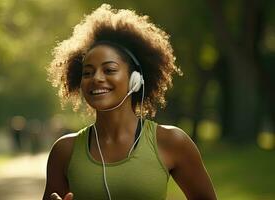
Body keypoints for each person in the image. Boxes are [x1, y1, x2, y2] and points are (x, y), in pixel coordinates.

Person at [43, 4, 217, 200]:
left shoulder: (171, 142)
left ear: (135, 79)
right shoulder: (64, 151)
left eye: (109, 70)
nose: (96, 78)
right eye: (87, 72)